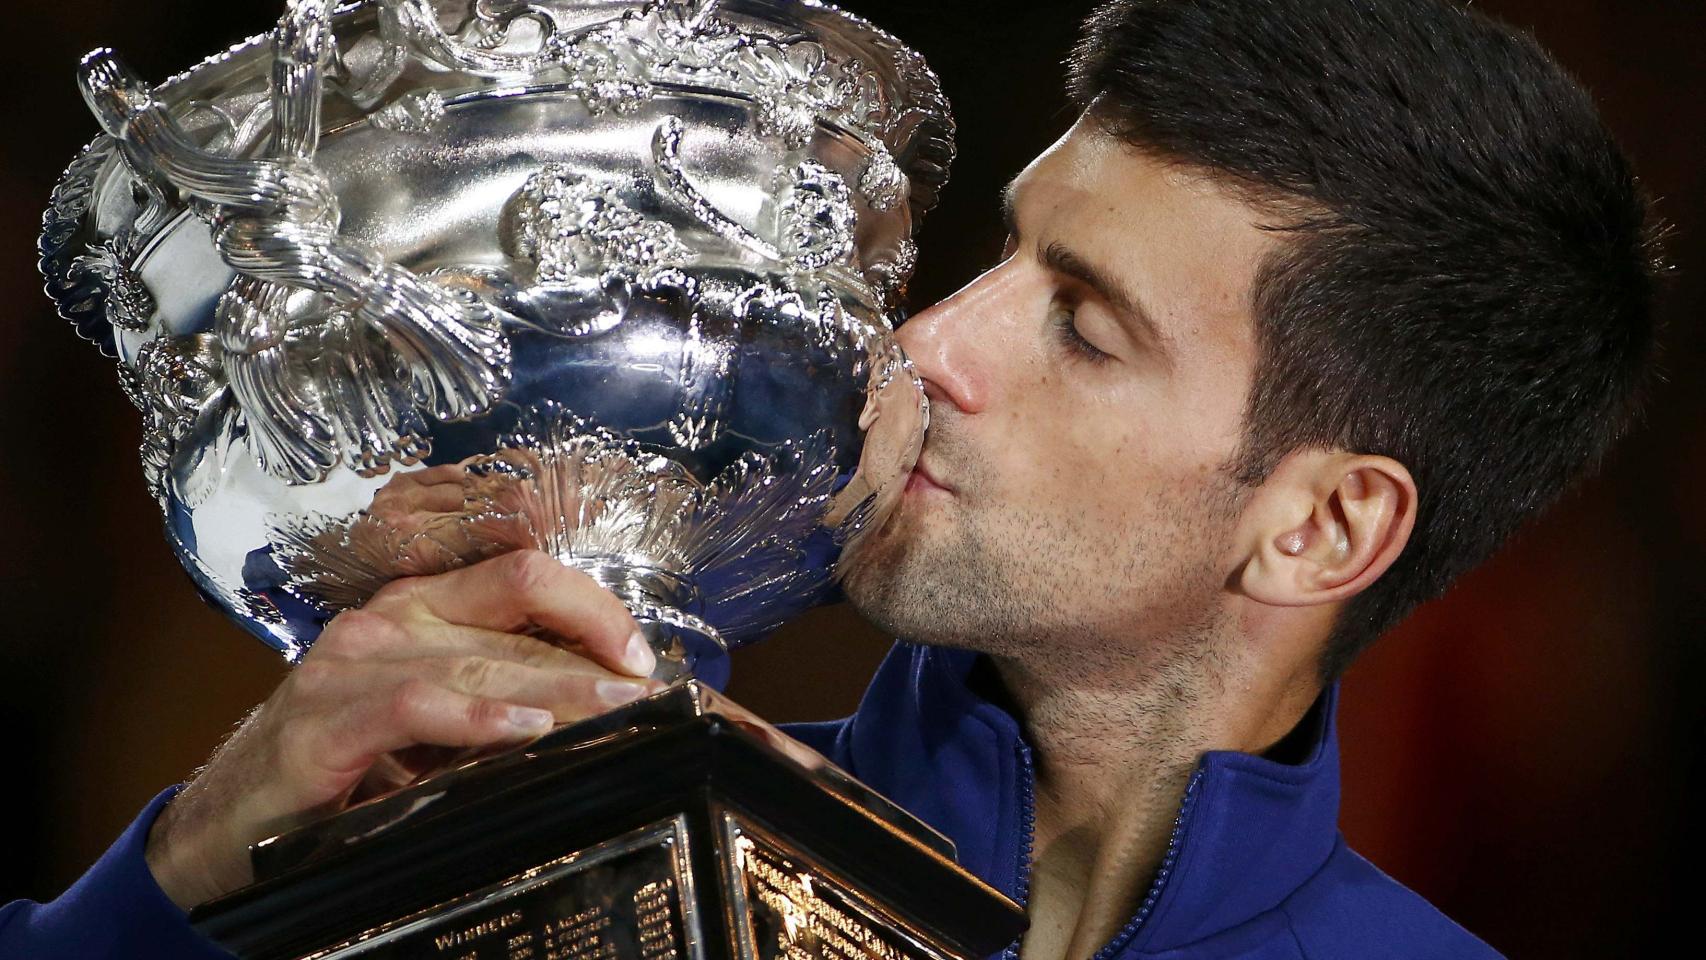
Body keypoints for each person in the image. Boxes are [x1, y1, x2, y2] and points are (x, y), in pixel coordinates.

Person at [0, 0, 1661, 957]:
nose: (929, 339)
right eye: (1004, 255)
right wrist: (175, 885)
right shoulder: (575, 843)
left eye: (1083, 327)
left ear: (1320, 527)